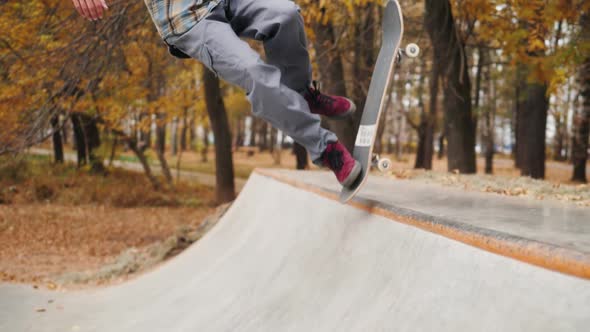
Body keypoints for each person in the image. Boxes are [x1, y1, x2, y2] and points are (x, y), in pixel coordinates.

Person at [71, 0, 362, 187]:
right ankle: (325, 149)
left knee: (285, 14)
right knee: (253, 73)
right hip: (189, 20)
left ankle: (302, 94)